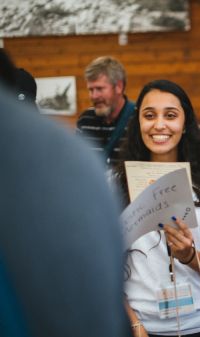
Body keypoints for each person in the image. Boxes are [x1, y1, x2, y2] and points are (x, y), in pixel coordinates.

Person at [115, 80, 200, 337]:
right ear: (138, 123)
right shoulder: (117, 188)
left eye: (171, 115)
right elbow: (106, 269)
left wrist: (190, 256)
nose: (160, 124)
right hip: (144, 329)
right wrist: (133, 323)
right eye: (149, 115)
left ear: (185, 124)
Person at [0, 87, 130, 337]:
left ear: (118, 88)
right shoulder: (73, 139)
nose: (93, 94)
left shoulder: (58, 156)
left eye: (98, 88)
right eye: (89, 88)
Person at [76, 56, 135, 167]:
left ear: (119, 86)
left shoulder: (139, 119)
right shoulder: (85, 120)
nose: (94, 96)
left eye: (99, 89)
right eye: (90, 89)